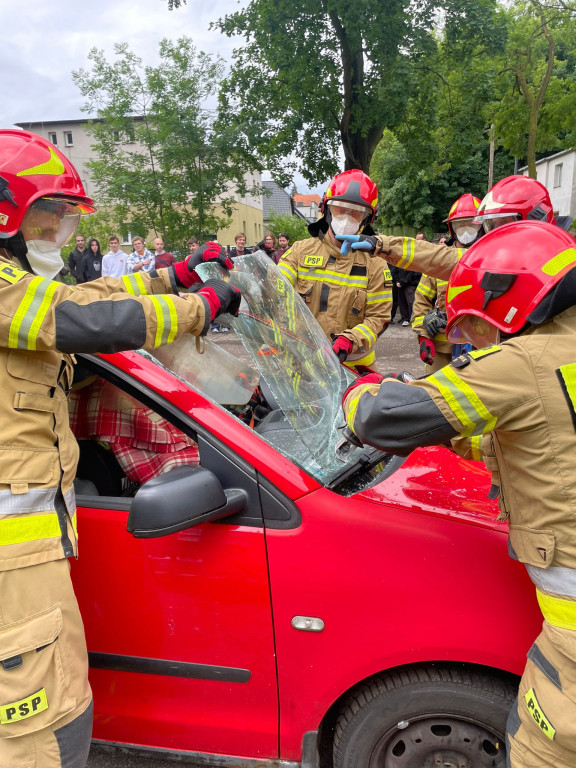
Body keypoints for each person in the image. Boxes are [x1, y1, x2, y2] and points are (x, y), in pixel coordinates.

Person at [0, 129, 241, 768]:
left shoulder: (15, 283)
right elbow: (89, 323)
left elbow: (88, 296)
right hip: (10, 557)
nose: (58, 237)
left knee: (53, 699)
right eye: (49, 220)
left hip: (33, 540)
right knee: (35, 726)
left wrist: (172, 275)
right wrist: (199, 307)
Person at [341, 220, 576, 768]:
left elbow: (386, 419)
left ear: (508, 307)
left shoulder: (523, 363)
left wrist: (358, 388)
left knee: (543, 746)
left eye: (476, 326)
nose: (472, 341)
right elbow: (542, 437)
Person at [278, 169, 391, 369]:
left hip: (352, 369)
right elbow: (273, 287)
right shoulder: (299, 252)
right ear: (327, 210)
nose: (347, 218)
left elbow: (378, 319)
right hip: (302, 366)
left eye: (356, 212)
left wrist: (350, 340)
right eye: (340, 209)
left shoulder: (376, 265)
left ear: (366, 219)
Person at [411, 194, 480, 372]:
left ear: (482, 225)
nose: (466, 230)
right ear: (451, 228)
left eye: (472, 224)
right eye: (460, 225)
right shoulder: (439, 261)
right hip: (442, 352)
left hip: (481, 350)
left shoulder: (493, 259)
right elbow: (420, 302)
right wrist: (424, 336)